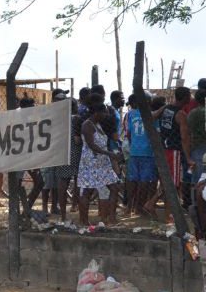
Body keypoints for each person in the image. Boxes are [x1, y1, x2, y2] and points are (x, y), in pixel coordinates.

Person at [77, 97, 122, 226]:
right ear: (97, 113)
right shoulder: (87, 125)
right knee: (87, 191)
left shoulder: (97, 125)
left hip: (102, 163)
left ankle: (111, 218)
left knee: (114, 187)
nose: (106, 115)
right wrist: (110, 154)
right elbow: (91, 145)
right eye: (104, 112)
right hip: (91, 163)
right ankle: (83, 221)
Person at [153, 87, 195, 209]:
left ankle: (156, 205)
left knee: (170, 180)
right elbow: (184, 138)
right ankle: (162, 209)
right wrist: (188, 158)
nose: (190, 98)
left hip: (164, 148)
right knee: (173, 183)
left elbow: (153, 116)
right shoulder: (181, 114)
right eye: (189, 96)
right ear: (185, 97)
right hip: (174, 150)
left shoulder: (166, 109)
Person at [125, 93, 158, 217]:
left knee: (132, 180)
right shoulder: (152, 115)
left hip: (134, 151)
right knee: (144, 181)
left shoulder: (131, 114)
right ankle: (139, 207)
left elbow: (128, 133)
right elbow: (156, 134)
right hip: (147, 153)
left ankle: (129, 206)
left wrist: (133, 143)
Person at [41, 91, 70, 216]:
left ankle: (54, 206)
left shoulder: (65, 114)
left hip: (59, 151)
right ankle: (44, 208)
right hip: (48, 152)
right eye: (60, 98)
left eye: (64, 98)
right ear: (53, 100)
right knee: (47, 182)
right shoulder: (47, 113)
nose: (62, 101)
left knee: (56, 183)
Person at [18, 97, 44, 214]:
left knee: (39, 182)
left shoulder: (32, 120)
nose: (34, 108)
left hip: (30, 156)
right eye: (32, 106)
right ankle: (18, 210)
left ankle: (26, 208)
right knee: (16, 184)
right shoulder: (18, 120)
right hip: (19, 156)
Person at [188, 90, 206, 185]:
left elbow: (189, 131)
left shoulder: (192, 113)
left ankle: (195, 198)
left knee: (198, 178)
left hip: (197, 146)